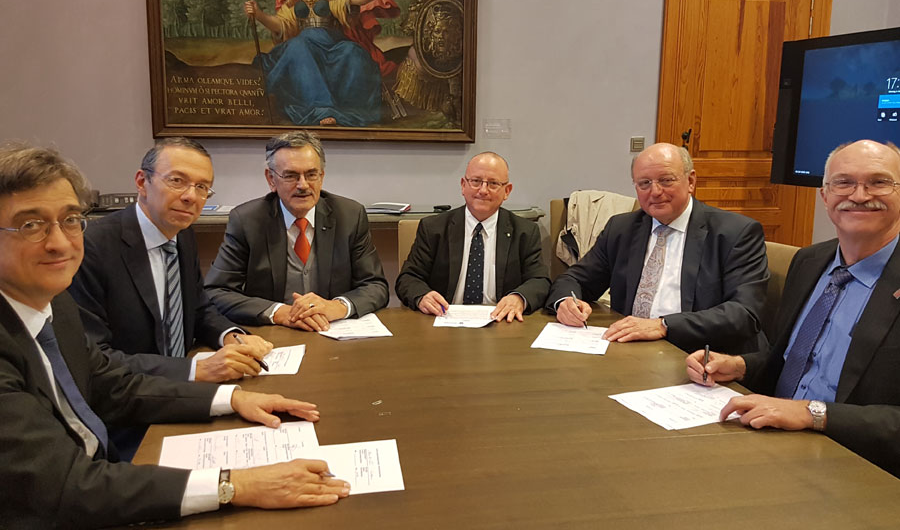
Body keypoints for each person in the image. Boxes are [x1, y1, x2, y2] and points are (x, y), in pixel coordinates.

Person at [0, 143, 349, 530]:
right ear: (141, 183)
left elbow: (113, 382)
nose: (60, 242)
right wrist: (235, 485)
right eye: (30, 224)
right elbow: (69, 486)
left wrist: (232, 399)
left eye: (71, 220)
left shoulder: (54, 303)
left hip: (102, 483)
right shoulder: (66, 278)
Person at [687, 140, 900, 477]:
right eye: (843, 183)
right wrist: (740, 366)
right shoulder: (810, 262)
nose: (859, 195)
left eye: (879, 182)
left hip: (857, 468)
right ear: (825, 196)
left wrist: (813, 414)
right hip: (772, 446)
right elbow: (795, 362)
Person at [69, 138, 272, 383]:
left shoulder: (182, 234)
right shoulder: (92, 247)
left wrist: (230, 335)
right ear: (142, 182)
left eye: (202, 187)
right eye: (177, 181)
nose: (191, 197)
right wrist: (194, 371)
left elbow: (198, 309)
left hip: (180, 392)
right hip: (128, 397)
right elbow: (94, 357)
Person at [547, 143, 768, 353]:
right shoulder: (622, 229)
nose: (655, 191)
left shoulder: (735, 233)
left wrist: (664, 325)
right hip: (629, 351)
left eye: (666, 180)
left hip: (699, 355)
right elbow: (575, 279)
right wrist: (566, 302)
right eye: (644, 183)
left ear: (691, 181)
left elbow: (744, 313)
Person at [205, 131, 389, 331]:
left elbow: (376, 286)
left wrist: (336, 306)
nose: (303, 185)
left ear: (322, 177)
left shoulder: (350, 215)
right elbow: (217, 291)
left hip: (333, 332)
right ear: (271, 179)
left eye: (311, 174)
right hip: (275, 334)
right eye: (291, 175)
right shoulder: (247, 220)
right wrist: (281, 312)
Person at [244, 0, 400, 127]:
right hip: (305, 45)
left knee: (353, 53)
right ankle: (321, 110)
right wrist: (259, 14)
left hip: (333, 46)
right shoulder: (294, 1)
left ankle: (348, 110)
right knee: (299, 46)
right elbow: (280, 25)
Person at [395, 152, 550, 321]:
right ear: (463, 185)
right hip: (444, 321)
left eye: (493, 183)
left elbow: (540, 281)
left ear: (507, 191)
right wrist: (423, 296)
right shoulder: (433, 228)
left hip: (501, 322)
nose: (483, 190)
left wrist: (519, 298)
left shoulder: (525, 232)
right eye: (476, 181)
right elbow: (408, 278)